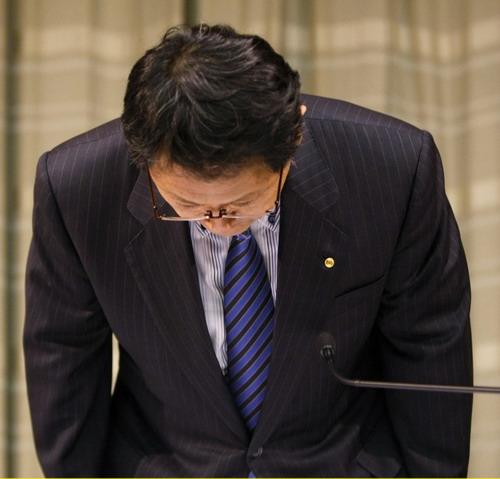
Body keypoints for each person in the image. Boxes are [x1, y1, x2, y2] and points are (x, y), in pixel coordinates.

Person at [24, 23, 473, 477]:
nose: (217, 224)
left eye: (241, 203)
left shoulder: (392, 169)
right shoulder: (77, 189)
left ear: (294, 139)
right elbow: (62, 354)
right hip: (167, 462)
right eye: (186, 206)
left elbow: (430, 343)